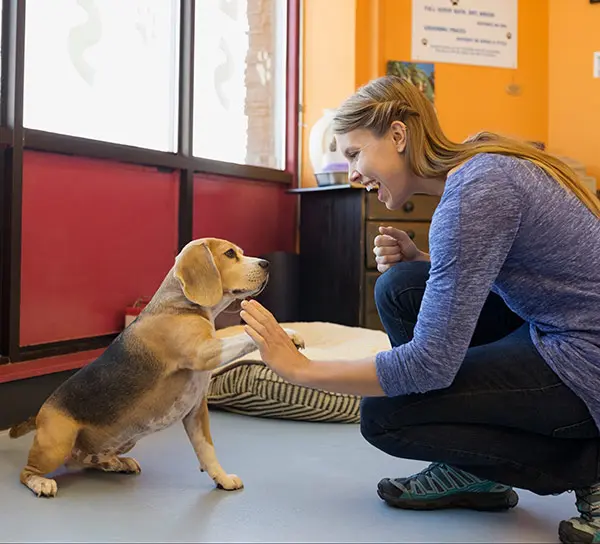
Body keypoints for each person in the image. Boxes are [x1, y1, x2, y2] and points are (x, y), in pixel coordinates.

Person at [240, 75, 600, 543]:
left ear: (397, 135)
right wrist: (427, 262)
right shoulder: (478, 163)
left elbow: (429, 365)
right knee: (404, 285)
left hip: (586, 358)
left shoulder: (477, 191)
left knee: (387, 415)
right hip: (561, 327)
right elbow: (525, 273)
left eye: (354, 153)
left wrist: (302, 369)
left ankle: (589, 466)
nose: (351, 174)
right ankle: (477, 474)